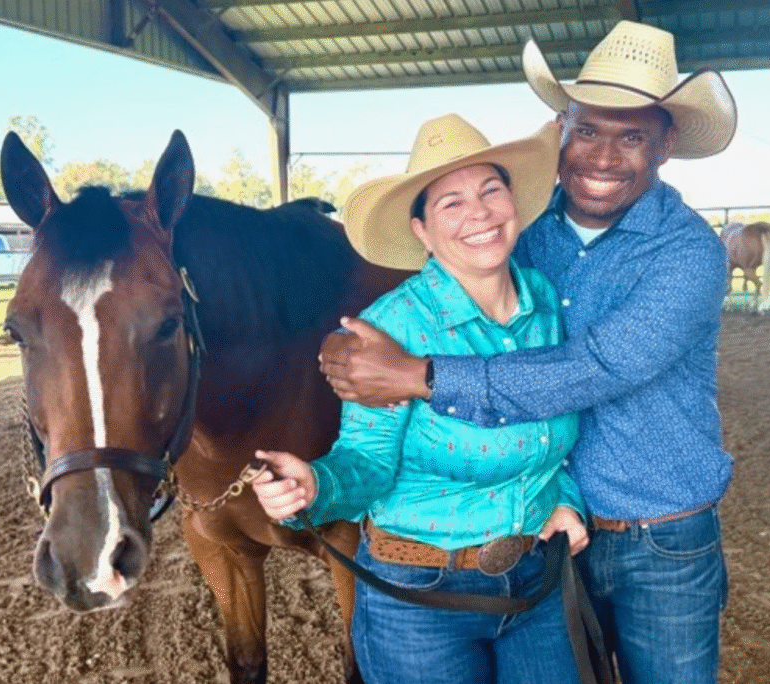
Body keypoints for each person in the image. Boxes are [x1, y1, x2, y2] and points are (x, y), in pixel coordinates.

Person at [318, 20, 735, 684]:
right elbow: (449, 284)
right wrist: (360, 349)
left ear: (667, 141)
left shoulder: (686, 254)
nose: (602, 157)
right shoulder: (522, 231)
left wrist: (419, 375)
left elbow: (598, 368)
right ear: (561, 128)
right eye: (588, 130)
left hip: (655, 535)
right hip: (543, 537)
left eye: (631, 136)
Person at [252, 113, 589, 684]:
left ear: (513, 203)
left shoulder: (545, 301)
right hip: (421, 599)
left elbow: (560, 423)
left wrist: (565, 499)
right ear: (422, 232)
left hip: (535, 578)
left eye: (490, 191)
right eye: (450, 203)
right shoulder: (391, 329)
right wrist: (316, 484)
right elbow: (368, 461)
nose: (478, 213)